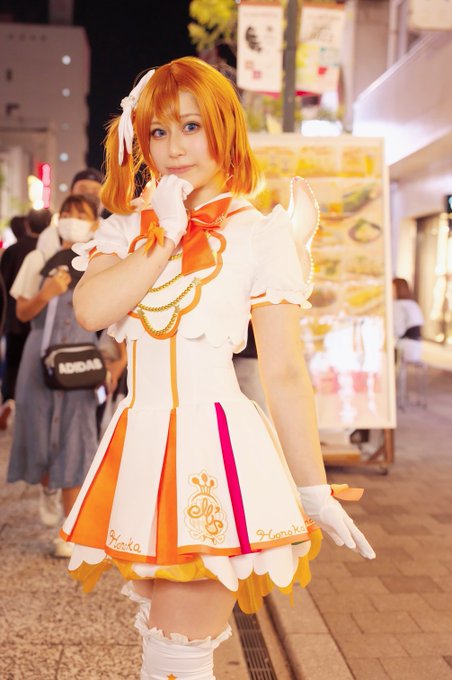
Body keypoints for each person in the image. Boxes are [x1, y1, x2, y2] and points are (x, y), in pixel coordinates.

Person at [60, 57, 375, 679]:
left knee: (176, 652)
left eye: (191, 127)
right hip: (142, 450)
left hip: (215, 450)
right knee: (164, 643)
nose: (174, 148)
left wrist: (312, 489)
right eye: (158, 131)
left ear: (223, 130)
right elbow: (92, 310)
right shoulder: (126, 231)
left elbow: (284, 371)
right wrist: (164, 238)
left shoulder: (259, 233)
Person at [7, 194, 100, 557]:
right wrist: (46, 293)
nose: (74, 219)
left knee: (76, 439)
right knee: (40, 432)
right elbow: (22, 313)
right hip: (40, 361)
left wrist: (113, 362)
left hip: (81, 363)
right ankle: (48, 484)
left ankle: (68, 530)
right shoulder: (38, 258)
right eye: (69, 212)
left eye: (82, 214)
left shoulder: (100, 261)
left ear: (95, 223)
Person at [0, 211, 52, 429]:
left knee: (13, 364)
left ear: (28, 224)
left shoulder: (12, 250)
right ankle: (31, 408)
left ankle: (9, 401)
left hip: (14, 318)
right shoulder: (49, 251)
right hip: (41, 320)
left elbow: (3, 285)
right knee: (37, 367)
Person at [393, 277, 424, 363]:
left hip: (405, 347)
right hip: (417, 347)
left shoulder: (398, 305)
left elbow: (398, 331)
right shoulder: (413, 304)